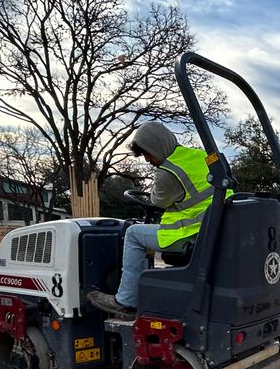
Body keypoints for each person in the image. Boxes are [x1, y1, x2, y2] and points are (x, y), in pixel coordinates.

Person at [86, 122, 224, 317]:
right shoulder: (199, 156)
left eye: (147, 153)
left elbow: (158, 202)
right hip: (214, 227)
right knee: (144, 232)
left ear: (157, 146)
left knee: (133, 233)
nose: (148, 160)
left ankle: (125, 300)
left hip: (190, 234)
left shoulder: (168, 172)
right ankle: (143, 288)